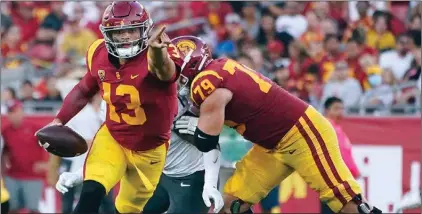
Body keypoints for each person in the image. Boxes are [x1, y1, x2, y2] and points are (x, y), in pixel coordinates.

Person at [170, 35, 382, 214]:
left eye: (175, 67)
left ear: (190, 65)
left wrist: (191, 126)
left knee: (349, 204)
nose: (172, 75)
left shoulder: (206, 83)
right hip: (270, 145)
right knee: (230, 205)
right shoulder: (220, 67)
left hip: (301, 134)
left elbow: (206, 141)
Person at [37, 1, 183, 213]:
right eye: (119, 32)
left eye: (131, 30)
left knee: (127, 209)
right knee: (91, 191)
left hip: (149, 148)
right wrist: (60, 120)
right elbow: (84, 89)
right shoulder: (98, 52)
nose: (125, 37)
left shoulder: (160, 52)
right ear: (108, 34)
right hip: (113, 136)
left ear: (144, 30)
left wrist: (159, 54)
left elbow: (166, 73)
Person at [56, 91, 224, 213]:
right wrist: (78, 175)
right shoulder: (116, 114)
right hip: (159, 176)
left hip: (191, 178)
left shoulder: (171, 107)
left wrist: (210, 183)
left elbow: (210, 145)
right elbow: (111, 155)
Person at [322, 97, 361, 214]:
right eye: (336, 108)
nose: (340, 112)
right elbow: (341, 155)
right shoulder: (329, 128)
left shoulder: (333, 128)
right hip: (337, 182)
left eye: (342, 109)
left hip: (332, 181)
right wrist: (354, 172)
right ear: (327, 110)